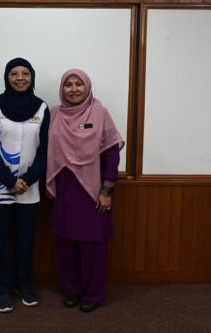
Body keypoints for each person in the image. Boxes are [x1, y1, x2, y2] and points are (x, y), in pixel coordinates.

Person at [46, 68, 124, 313]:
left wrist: (107, 190)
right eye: (68, 84)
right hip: (64, 188)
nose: (73, 89)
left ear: (87, 86)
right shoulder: (55, 114)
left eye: (78, 84)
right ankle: (72, 290)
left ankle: (93, 293)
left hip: (91, 190)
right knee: (65, 242)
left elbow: (112, 154)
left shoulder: (100, 112)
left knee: (93, 247)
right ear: (62, 89)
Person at [0, 57, 50, 313]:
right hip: (0, 186)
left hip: (29, 186)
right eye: (14, 73)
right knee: (1, 240)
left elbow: (45, 150)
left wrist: (26, 180)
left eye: (25, 73)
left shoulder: (42, 108)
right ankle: (3, 288)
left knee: (26, 239)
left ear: (32, 77)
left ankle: (24, 284)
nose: (20, 78)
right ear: (7, 78)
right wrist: (9, 181)